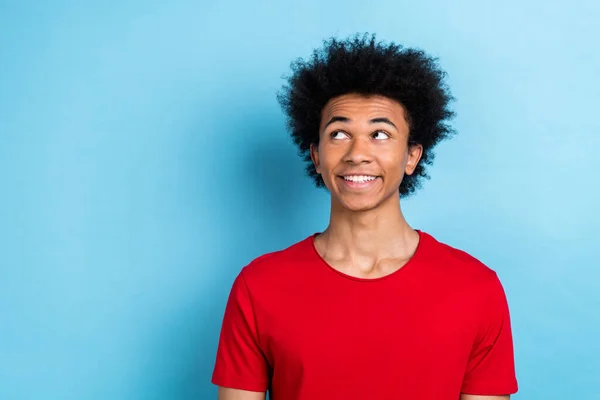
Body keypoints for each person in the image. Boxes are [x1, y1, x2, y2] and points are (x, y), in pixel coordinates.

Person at [211, 33, 518, 400]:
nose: (358, 153)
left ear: (411, 156)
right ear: (316, 155)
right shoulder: (258, 287)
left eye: (380, 133)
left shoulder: (475, 289)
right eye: (339, 133)